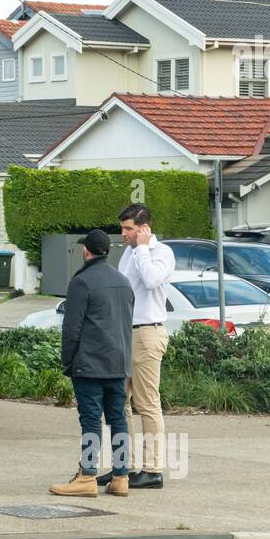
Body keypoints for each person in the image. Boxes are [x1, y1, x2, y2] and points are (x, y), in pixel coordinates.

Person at [50, 230, 135, 498]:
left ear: (86, 251)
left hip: (89, 362)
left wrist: (68, 360)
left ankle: (87, 475)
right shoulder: (123, 282)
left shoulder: (81, 282)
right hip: (118, 362)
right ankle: (121, 477)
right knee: (118, 418)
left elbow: (72, 327)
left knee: (90, 421)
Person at [105, 202, 176, 490]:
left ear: (144, 228)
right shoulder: (128, 253)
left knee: (147, 404)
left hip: (148, 333)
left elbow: (151, 280)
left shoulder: (161, 253)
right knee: (118, 403)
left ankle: (153, 469)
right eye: (122, 228)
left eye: (128, 229)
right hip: (124, 333)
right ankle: (124, 466)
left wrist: (144, 247)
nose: (123, 234)